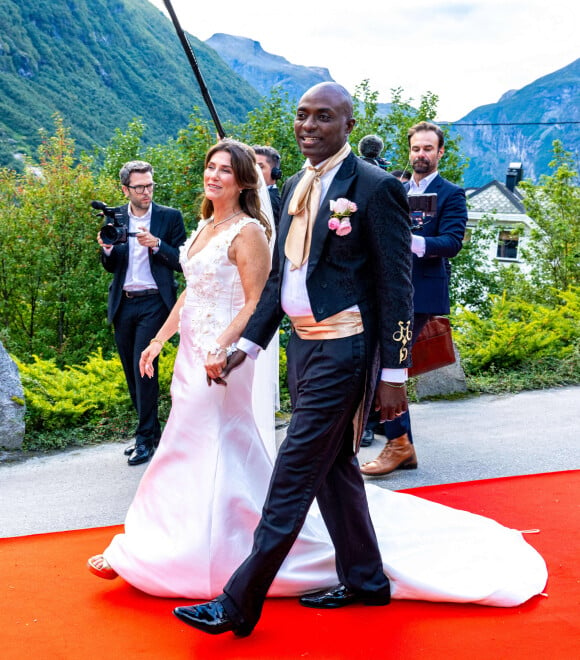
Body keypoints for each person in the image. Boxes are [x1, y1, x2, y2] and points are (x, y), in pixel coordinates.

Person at [86, 133, 546, 626]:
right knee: (335, 471)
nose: (309, 125)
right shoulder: (301, 187)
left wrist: (393, 372)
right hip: (302, 350)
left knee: (292, 471)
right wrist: (246, 348)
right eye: (303, 115)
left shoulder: (372, 187)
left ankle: (239, 602)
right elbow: (280, 285)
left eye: (322, 116)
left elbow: (396, 283)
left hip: (345, 347)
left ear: (345, 124)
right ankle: (367, 580)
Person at [361, 121, 468, 476]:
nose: (421, 155)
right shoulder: (395, 187)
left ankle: (398, 444)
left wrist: (410, 241)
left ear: (440, 152)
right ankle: (400, 442)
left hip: (420, 293)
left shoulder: (452, 193)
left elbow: (452, 242)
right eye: (416, 149)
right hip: (384, 288)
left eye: (427, 149)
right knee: (384, 361)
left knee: (386, 360)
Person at [98, 161, 186, 465]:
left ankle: (144, 439)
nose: (146, 191)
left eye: (150, 185)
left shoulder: (169, 217)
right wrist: (106, 249)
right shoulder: (116, 216)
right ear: (126, 189)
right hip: (123, 302)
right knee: (131, 372)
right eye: (139, 187)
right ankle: (151, 433)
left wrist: (157, 244)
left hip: (154, 302)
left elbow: (182, 261)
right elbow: (111, 266)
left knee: (143, 368)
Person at [253, 145, 282, 227]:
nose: (254, 171)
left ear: (275, 173)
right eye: (251, 166)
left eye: (259, 167)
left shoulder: (271, 201)